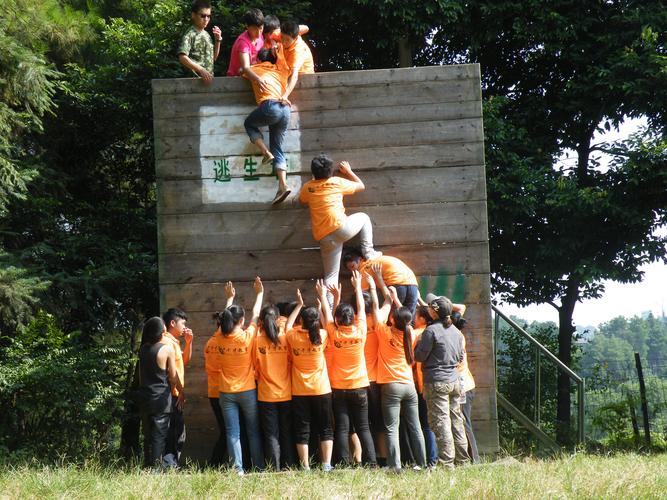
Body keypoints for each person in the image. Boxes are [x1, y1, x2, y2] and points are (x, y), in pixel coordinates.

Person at [299, 154, 381, 303]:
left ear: (313, 172)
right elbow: (361, 186)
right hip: (342, 228)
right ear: (331, 171)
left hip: (324, 237)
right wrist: (348, 171)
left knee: (331, 276)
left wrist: (313, 182)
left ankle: (330, 309)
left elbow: (301, 199)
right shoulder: (336, 182)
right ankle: (368, 253)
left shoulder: (308, 187)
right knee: (364, 217)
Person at [369, 266, 426, 472]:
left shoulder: (384, 332)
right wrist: (395, 299)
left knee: (391, 428)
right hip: (409, 386)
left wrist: (380, 283)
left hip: (391, 387)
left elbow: (377, 308)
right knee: (415, 426)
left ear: (392, 319)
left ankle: (395, 466)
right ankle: (422, 463)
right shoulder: (410, 332)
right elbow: (404, 316)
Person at [319, 273, 377, 467]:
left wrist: (324, 297)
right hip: (360, 386)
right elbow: (360, 307)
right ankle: (370, 462)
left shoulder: (333, 333)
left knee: (342, 428)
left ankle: (343, 463)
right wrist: (358, 287)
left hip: (339, 387)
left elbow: (328, 315)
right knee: (363, 427)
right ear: (353, 319)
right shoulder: (360, 330)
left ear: (337, 320)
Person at [214, 277, 265, 474]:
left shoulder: (219, 336)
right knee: (253, 431)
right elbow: (256, 314)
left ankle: (238, 471)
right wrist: (259, 293)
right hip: (247, 391)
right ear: (242, 321)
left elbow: (224, 319)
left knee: (232, 432)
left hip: (226, 393)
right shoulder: (247, 336)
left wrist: (229, 298)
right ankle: (259, 467)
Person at [414, 295, 470, 468]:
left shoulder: (430, 331)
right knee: (456, 421)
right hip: (454, 382)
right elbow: (460, 357)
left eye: (430, 306)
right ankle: (463, 461)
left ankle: (446, 464)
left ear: (433, 311)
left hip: (436, 382)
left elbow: (419, 356)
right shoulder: (456, 331)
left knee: (441, 422)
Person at [286, 286, 334, 471]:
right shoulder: (322, 335)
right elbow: (328, 324)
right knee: (326, 428)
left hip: (300, 391)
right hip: (322, 390)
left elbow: (288, 326)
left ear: (302, 321)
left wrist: (299, 304)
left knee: (302, 430)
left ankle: (305, 467)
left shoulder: (293, 336)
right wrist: (322, 307)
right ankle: (326, 464)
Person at [254, 296, 302, 470]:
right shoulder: (286, 338)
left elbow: (255, 367)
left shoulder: (257, 340)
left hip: (266, 394)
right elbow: (292, 361)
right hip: (286, 392)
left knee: (271, 434)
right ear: (278, 318)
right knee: (286, 431)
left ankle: (274, 468)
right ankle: (289, 466)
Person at [242, 47, 292, 204]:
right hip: (285, 109)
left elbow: (241, 70)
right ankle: (283, 186)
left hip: (270, 106)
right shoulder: (281, 69)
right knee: (278, 147)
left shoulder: (254, 68)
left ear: (258, 60)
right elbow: (287, 63)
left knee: (249, 123)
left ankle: (265, 152)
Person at [138, 317, 184, 469]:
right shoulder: (166, 349)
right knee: (159, 437)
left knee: (148, 435)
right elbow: (172, 376)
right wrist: (181, 391)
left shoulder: (143, 349)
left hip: (145, 398)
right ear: (162, 331)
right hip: (161, 400)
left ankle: (148, 466)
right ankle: (156, 470)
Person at [204, 281, 235, 465]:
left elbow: (225, 319)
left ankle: (218, 463)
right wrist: (229, 298)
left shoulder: (210, 343)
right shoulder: (222, 341)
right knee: (229, 431)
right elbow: (227, 319)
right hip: (224, 392)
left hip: (213, 392)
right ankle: (216, 463)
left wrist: (229, 298)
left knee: (226, 430)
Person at [343, 247, 419, 317]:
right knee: (408, 320)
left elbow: (363, 296)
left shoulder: (365, 269)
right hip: (412, 282)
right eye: (350, 269)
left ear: (360, 260)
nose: (353, 271)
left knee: (392, 319)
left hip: (397, 284)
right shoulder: (375, 260)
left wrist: (356, 286)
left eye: (352, 266)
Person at [160, 307, 193, 467]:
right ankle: (170, 466)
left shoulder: (173, 342)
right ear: (172, 323)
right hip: (172, 394)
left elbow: (184, 362)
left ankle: (172, 465)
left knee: (178, 432)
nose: (184, 327)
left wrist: (189, 342)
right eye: (182, 323)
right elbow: (171, 373)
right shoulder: (166, 342)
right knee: (174, 432)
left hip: (175, 393)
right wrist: (180, 392)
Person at [412, 305, 438, 467]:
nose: (414, 318)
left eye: (416, 315)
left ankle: (430, 460)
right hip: (442, 382)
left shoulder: (418, 334)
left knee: (426, 425)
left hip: (423, 385)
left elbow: (415, 359)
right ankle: (436, 459)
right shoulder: (442, 331)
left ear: (422, 319)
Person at [177, 0, 221, 84]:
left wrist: (217, 40)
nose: (206, 19)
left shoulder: (207, 35)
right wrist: (200, 69)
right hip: (193, 83)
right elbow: (182, 57)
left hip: (208, 82)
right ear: (193, 15)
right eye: (203, 16)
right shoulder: (190, 34)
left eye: (208, 16)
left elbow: (213, 58)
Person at [279, 19, 315, 102]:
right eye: (281, 37)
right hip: (290, 75)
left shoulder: (297, 51)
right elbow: (306, 28)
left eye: (287, 40)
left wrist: (285, 95)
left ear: (295, 38)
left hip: (304, 79)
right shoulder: (284, 33)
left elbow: (294, 75)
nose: (283, 42)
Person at [227, 8, 265, 80]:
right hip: (236, 80)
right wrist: (259, 80)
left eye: (260, 28)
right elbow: (246, 67)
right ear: (247, 26)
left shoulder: (261, 38)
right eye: (254, 29)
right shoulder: (243, 42)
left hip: (253, 76)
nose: (258, 33)